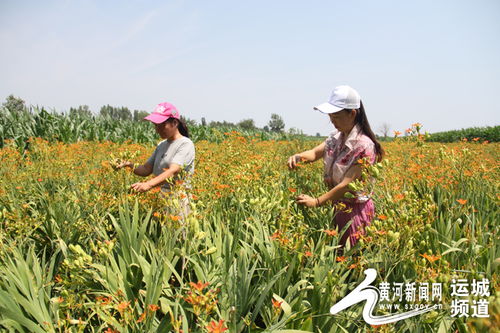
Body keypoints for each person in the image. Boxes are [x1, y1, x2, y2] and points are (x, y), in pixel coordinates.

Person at [288, 85, 384, 252]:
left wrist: (316, 202)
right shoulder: (336, 137)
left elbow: (346, 185)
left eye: (337, 117)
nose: (332, 121)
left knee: (352, 262)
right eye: (330, 116)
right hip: (336, 207)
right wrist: (298, 157)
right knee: (337, 260)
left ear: (352, 113)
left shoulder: (364, 146)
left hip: (354, 214)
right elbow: (314, 153)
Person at [116, 102, 195, 218]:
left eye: (161, 125)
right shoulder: (162, 145)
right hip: (160, 197)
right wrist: (127, 164)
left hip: (178, 199)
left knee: (177, 235)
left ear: (174, 123)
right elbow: (146, 169)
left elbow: (173, 171)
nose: (157, 130)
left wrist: (148, 184)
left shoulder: (185, 144)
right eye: (155, 125)